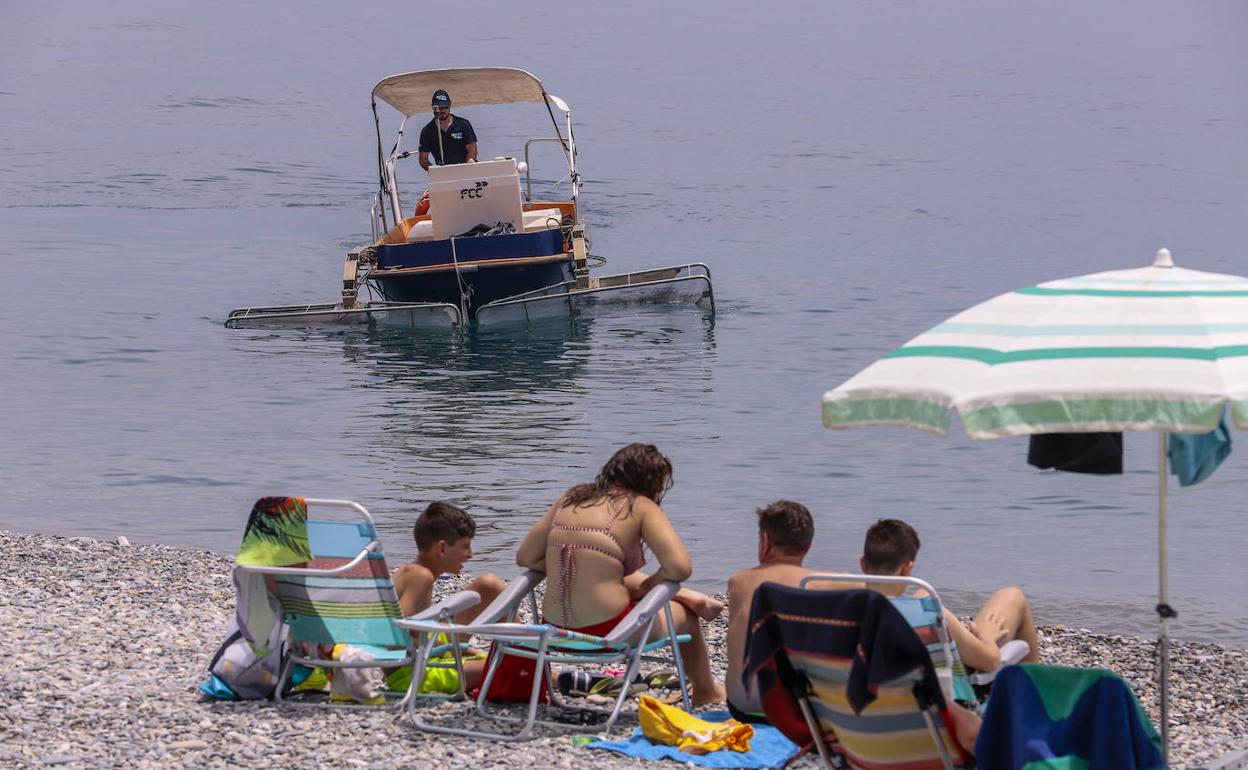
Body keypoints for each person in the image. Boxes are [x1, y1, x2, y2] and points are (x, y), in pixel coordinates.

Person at [515, 443, 726, 706]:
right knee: (688, 618)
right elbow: (680, 567)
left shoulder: (571, 499)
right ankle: (706, 691)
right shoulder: (640, 505)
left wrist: (578, 564)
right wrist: (649, 586)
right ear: (652, 483)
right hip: (610, 632)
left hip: (553, 630)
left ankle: (685, 596)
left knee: (617, 577)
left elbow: (525, 558)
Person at [724, 500, 861, 723]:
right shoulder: (833, 582)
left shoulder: (738, 580)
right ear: (808, 544)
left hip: (743, 708)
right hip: (802, 713)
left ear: (765, 540)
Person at [859, 518, 1041, 673]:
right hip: (937, 695)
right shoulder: (930, 612)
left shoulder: (846, 610)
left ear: (863, 563)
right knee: (1014, 596)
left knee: (922, 593)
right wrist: (987, 635)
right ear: (907, 568)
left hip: (862, 694)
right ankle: (1036, 695)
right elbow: (991, 662)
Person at [392, 501, 505, 692]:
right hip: (413, 675)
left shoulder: (412, 572)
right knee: (502, 664)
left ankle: (524, 653)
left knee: (489, 584)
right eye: (465, 546)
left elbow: (412, 631)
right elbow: (398, 635)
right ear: (442, 548)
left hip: (425, 653)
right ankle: (546, 673)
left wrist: (459, 648)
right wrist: (452, 648)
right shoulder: (421, 576)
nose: (471, 554)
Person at [418, 89, 478, 170]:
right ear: (433, 107)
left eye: (445, 106)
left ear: (450, 106)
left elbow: (472, 149)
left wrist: (466, 168)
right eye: (439, 107)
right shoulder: (427, 131)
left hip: (466, 169)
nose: (442, 110)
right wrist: (434, 172)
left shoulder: (463, 124)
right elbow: (423, 159)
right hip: (444, 172)